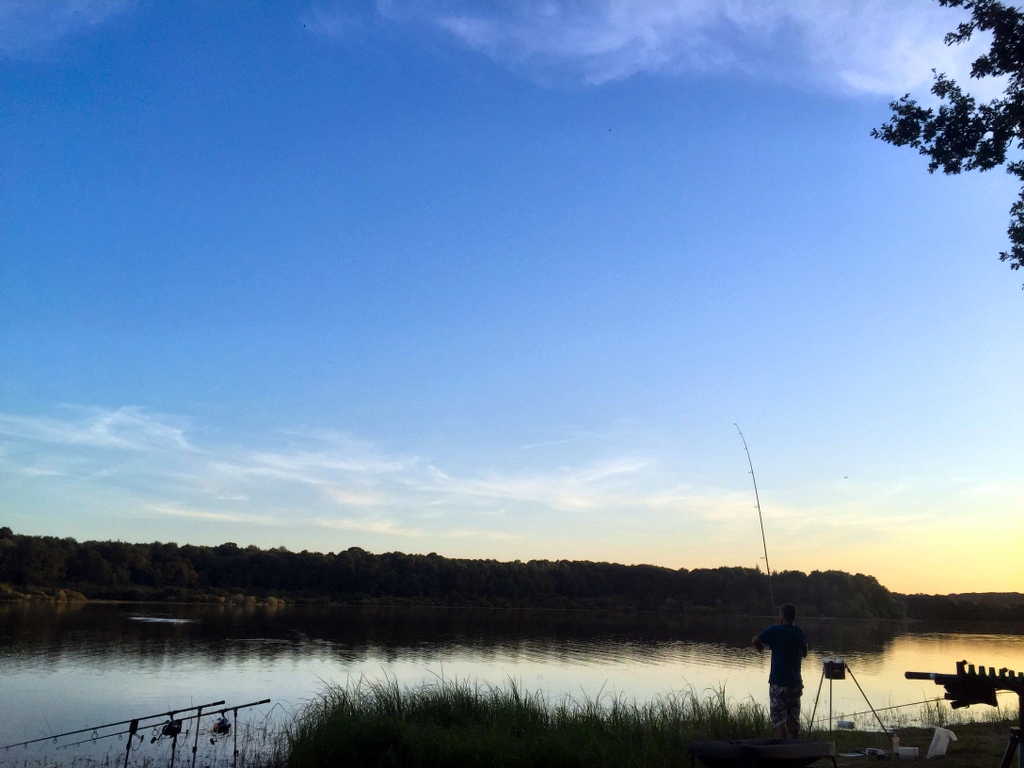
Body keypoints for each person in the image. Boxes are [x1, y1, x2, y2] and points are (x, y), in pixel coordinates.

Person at [752, 603, 807, 739]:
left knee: (778, 719)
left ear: (782, 615)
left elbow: (755, 640)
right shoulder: (800, 632)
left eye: (780, 613)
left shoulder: (775, 630)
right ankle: (794, 751)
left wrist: (760, 648)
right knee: (793, 721)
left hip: (779, 683)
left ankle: (784, 749)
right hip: (795, 684)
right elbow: (805, 653)